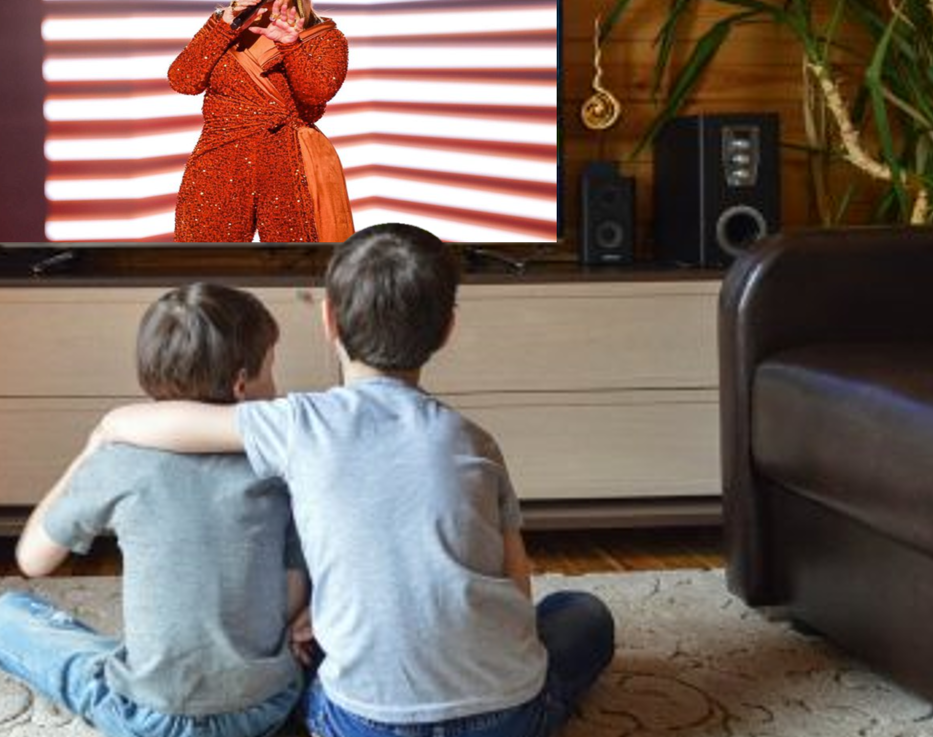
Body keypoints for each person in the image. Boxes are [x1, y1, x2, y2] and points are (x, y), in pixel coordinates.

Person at [94, 224, 616, 737]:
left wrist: (111, 425)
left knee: (302, 659)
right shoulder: (476, 443)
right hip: (502, 716)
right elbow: (516, 589)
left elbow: (178, 422)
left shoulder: (299, 424)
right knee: (582, 615)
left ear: (329, 320)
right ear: (447, 328)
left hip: (360, 723)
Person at [0, 283, 309, 737]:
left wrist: (89, 453)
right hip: (266, 705)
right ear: (240, 384)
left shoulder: (118, 462)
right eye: (271, 370)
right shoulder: (278, 467)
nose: (277, 386)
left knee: (6, 615)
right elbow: (291, 595)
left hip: (152, 718)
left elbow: (33, 559)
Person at [169, 0, 355, 243]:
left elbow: (316, 94)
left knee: (295, 274)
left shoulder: (325, 37)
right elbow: (183, 80)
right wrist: (222, 26)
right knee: (204, 264)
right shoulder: (224, 26)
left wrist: (291, 46)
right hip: (219, 158)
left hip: (287, 160)